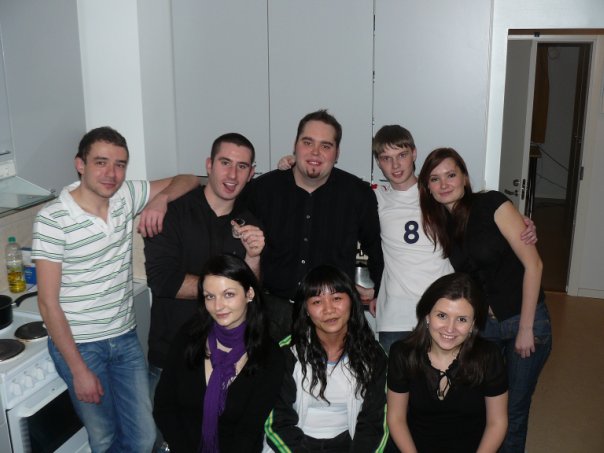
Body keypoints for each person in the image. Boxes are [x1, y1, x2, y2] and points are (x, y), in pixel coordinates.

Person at [31, 126, 200, 452]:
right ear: (80, 164)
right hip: (81, 345)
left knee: (143, 436)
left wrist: (161, 199)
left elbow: (190, 179)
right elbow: (48, 304)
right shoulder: (53, 220)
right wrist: (79, 370)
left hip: (124, 338)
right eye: (101, 162)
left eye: (120, 164)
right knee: (105, 437)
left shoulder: (124, 196)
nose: (111, 173)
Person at [417, 147, 552, 453]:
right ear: (428, 187)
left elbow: (534, 264)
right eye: (435, 179)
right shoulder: (441, 223)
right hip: (483, 328)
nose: (444, 184)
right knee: (482, 406)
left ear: (464, 177)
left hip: (523, 320)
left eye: (451, 175)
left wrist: (526, 328)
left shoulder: (492, 203)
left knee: (513, 411)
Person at [242, 109, 383, 342]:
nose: (315, 152)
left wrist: (380, 291)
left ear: (337, 153)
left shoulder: (358, 194)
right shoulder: (262, 190)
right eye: (308, 142)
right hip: (271, 314)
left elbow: (376, 247)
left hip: (333, 317)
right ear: (295, 145)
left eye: (326, 146)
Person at [143, 132, 265, 392]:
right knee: (160, 420)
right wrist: (229, 290)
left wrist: (253, 257)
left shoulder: (250, 223)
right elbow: (163, 281)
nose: (233, 175)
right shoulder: (170, 212)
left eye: (242, 166)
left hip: (227, 358)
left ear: (251, 173)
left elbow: (252, 292)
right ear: (209, 165)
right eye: (225, 163)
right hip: (172, 356)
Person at [153, 254, 284, 453]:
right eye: (210, 296)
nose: (218, 306)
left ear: (249, 293)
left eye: (228, 294)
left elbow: (249, 431)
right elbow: (164, 407)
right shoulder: (189, 337)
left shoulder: (269, 355)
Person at [264, 265, 388, 452]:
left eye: (337, 298)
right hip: (293, 446)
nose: (329, 309)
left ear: (352, 301)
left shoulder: (373, 355)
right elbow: (278, 423)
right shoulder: (286, 353)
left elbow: (373, 425)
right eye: (317, 302)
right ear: (306, 309)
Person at [387, 272, 508, 453]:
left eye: (462, 319)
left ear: (473, 324)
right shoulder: (402, 354)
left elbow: (497, 422)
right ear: (427, 316)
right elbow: (396, 419)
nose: (450, 329)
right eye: (442, 316)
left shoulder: (489, 356)